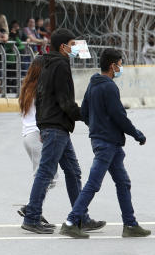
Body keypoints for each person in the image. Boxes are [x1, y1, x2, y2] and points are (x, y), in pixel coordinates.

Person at [20, 28, 105, 234]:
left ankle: (80, 216)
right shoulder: (60, 64)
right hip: (56, 126)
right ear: (62, 46)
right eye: (73, 44)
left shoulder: (47, 64)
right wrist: (86, 115)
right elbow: (65, 100)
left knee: (73, 171)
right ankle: (32, 217)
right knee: (46, 172)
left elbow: (41, 97)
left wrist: (41, 124)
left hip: (55, 126)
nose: (75, 48)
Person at [61, 49, 149, 238]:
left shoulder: (93, 84)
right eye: (120, 64)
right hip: (107, 142)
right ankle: (71, 221)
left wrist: (96, 125)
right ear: (112, 66)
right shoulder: (109, 86)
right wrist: (137, 134)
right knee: (93, 183)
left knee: (123, 183)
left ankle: (130, 224)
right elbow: (119, 116)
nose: (120, 67)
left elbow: (84, 112)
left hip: (107, 142)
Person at [18, 57, 58, 221]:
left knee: (46, 176)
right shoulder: (40, 88)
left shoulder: (27, 87)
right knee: (46, 176)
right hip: (37, 134)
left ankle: (33, 207)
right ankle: (32, 208)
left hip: (29, 135)